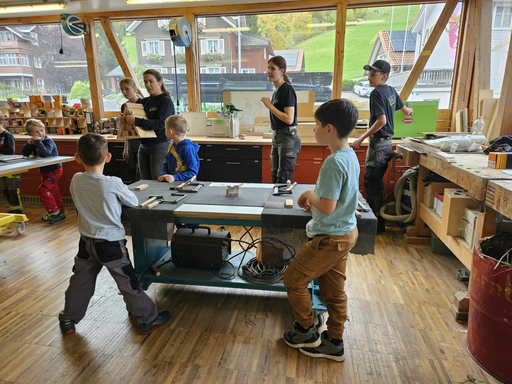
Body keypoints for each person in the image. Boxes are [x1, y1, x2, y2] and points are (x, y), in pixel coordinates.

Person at [58, 133, 170, 335]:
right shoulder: (112, 182)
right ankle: (148, 318)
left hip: (86, 243)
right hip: (110, 245)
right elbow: (133, 201)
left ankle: (68, 319)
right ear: (108, 157)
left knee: (80, 282)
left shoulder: (75, 179)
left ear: (77, 158)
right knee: (128, 282)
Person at [283, 98, 360, 362]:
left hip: (329, 238)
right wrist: (317, 203)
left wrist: (308, 194)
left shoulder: (333, 162)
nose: (312, 129)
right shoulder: (349, 155)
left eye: (315, 125)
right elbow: (341, 200)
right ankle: (334, 341)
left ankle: (306, 330)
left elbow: (327, 206)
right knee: (333, 293)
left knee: (293, 281)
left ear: (329, 129)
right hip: (345, 232)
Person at [352, 60, 413, 232]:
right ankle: (378, 224)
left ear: (384, 76)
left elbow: (381, 121)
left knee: (371, 184)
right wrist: (411, 112)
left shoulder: (377, 93)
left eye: (374, 74)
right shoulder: (391, 91)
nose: (369, 78)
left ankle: (374, 226)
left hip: (378, 145)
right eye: (369, 74)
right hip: (387, 144)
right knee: (376, 184)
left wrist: (362, 138)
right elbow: (406, 110)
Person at [119, 69, 175, 180]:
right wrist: (124, 120)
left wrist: (135, 121)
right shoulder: (145, 101)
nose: (147, 85)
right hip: (144, 145)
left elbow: (161, 123)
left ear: (159, 82)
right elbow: (136, 118)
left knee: (158, 180)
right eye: (145, 82)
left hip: (160, 145)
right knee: (145, 181)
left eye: (151, 81)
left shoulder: (165, 101)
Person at [261, 55, 301, 184]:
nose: (269, 71)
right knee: (275, 176)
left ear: (281, 71)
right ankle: (276, 204)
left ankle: (283, 204)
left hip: (287, 137)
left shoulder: (287, 89)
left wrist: (270, 106)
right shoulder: (276, 92)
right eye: (268, 68)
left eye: (272, 68)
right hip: (278, 137)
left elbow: (289, 119)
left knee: (283, 179)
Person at [21, 118, 65, 224]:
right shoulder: (34, 141)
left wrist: (37, 141)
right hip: (45, 171)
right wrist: (29, 143)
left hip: (55, 171)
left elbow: (45, 153)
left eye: (42, 130)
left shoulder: (48, 141)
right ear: (30, 134)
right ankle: (61, 213)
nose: (40, 134)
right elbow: (24, 153)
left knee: (43, 190)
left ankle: (53, 212)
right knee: (53, 191)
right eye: (36, 132)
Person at [158, 115, 200, 182]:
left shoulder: (188, 149)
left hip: (187, 185)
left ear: (171, 131)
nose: (164, 131)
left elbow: (192, 172)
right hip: (173, 183)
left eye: (165, 128)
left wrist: (175, 177)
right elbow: (166, 163)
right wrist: (164, 175)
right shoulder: (171, 147)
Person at [119, 77, 143, 183]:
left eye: (127, 89)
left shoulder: (143, 103)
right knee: (132, 171)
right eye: (122, 90)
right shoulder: (124, 106)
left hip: (142, 141)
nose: (124, 92)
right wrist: (125, 147)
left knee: (141, 171)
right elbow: (125, 129)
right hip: (130, 142)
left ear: (135, 89)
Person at [0, 112, 23, 214]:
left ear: (1, 122)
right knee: (4, 189)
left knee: (12, 189)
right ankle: (12, 207)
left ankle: (17, 209)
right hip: (1, 167)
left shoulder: (7, 135)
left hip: (10, 167)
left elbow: (10, 151)